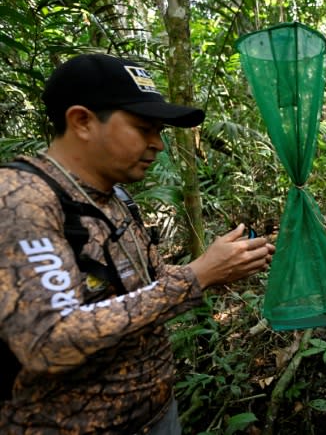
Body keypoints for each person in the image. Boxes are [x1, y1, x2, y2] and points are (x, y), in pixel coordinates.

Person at [0, 53, 276, 434]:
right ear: (82, 121)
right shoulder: (20, 199)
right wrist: (196, 277)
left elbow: (148, 288)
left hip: (157, 413)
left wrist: (221, 268)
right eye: (145, 128)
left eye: (159, 131)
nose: (158, 144)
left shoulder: (115, 197)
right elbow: (48, 342)